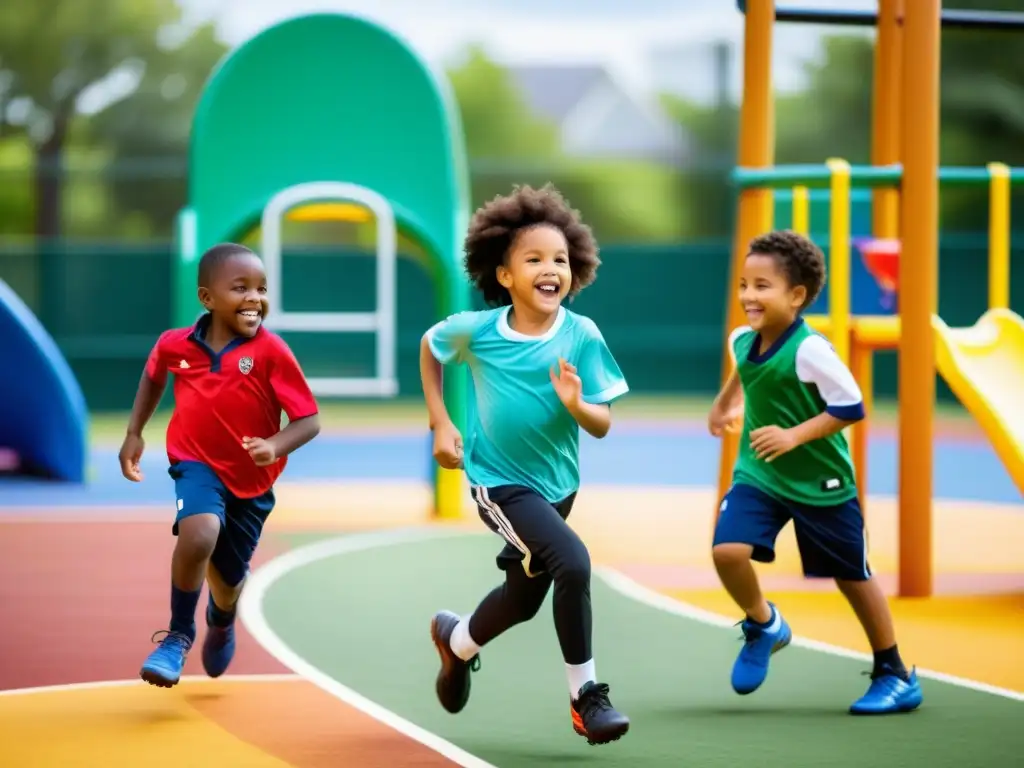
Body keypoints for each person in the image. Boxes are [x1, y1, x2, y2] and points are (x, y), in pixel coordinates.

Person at [421, 184, 631, 745]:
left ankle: (457, 642)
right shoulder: (480, 332)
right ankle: (586, 698)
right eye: (534, 258)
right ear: (505, 275)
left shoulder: (582, 334)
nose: (550, 268)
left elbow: (603, 422)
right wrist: (442, 421)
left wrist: (576, 404)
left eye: (559, 259)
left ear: (575, 269)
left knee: (523, 599)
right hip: (500, 483)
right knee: (574, 563)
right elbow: (430, 344)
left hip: (558, 488)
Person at [707, 229, 923, 715]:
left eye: (762, 286)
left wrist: (792, 436)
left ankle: (895, 673)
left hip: (820, 484)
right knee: (727, 551)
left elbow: (851, 405)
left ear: (797, 295)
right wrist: (724, 405)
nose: (748, 296)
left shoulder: (811, 350)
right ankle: (763, 624)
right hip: (759, 475)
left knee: (852, 577)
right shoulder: (742, 339)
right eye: (744, 284)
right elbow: (744, 370)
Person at [119, 243, 321, 688]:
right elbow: (154, 374)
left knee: (228, 582)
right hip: (194, 462)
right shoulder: (175, 345)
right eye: (240, 288)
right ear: (207, 299)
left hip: (252, 483)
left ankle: (222, 617)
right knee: (200, 531)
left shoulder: (270, 351)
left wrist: (275, 444)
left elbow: (309, 419)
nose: (255, 297)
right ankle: (177, 636)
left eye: (261, 288)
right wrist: (135, 432)